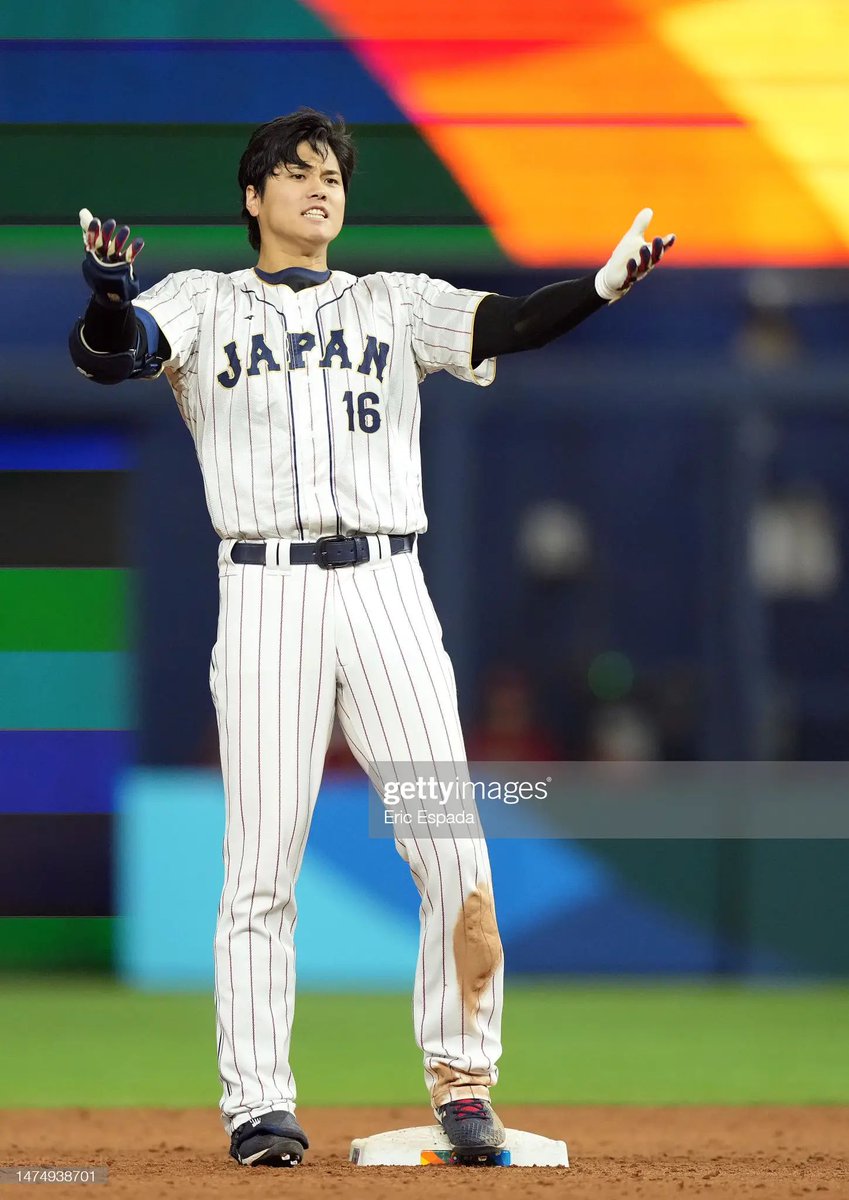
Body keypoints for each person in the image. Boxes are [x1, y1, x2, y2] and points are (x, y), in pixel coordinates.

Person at [69, 107, 674, 1168]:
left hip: (390, 587)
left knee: (455, 849)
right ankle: (260, 1106)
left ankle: (464, 1085)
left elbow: (513, 323)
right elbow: (112, 354)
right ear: (253, 198)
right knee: (262, 864)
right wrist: (112, 291)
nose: (321, 188)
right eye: (297, 173)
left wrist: (606, 287)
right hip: (265, 592)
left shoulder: (392, 302)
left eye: (334, 175)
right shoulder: (202, 304)